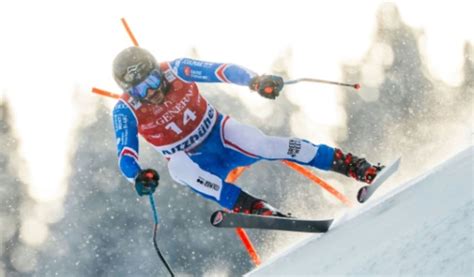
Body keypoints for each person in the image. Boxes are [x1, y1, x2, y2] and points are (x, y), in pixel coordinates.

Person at [111, 46, 383, 216]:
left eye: (153, 80)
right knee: (179, 169)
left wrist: (255, 81)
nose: (153, 91)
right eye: (141, 89)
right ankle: (257, 209)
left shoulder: (177, 70)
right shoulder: (126, 109)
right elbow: (125, 154)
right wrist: (137, 176)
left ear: (158, 71)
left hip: (220, 135)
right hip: (194, 160)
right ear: (129, 91)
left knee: (263, 145)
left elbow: (221, 71)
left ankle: (356, 166)